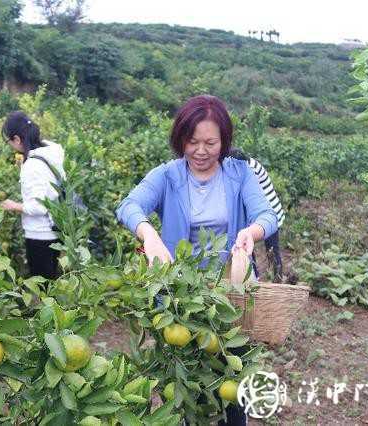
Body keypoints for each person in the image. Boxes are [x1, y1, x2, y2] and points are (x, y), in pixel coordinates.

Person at [116, 95, 278, 426]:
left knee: (232, 380)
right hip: (181, 301)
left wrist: (252, 231)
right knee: (187, 384)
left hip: (230, 297)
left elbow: (267, 214)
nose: (201, 151)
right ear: (180, 139)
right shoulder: (168, 176)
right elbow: (129, 206)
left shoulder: (240, 174)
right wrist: (148, 233)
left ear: (224, 141)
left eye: (210, 142)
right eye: (192, 142)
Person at [0, 111, 65, 280]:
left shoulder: (33, 165)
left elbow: (39, 206)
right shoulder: (53, 152)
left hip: (40, 234)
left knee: (41, 285)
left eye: (9, 141)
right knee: (51, 280)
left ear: (17, 139)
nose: (10, 146)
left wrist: (13, 206)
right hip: (57, 229)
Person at [229, 148, 285, 282]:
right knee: (247, 246)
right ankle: (255, 276)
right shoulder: (247, 163)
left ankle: (277, 279)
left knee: (272, 250)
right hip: (258, 215)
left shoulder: (248, 169)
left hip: (270, 215)